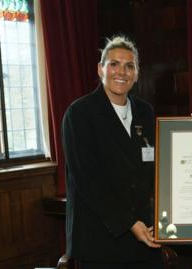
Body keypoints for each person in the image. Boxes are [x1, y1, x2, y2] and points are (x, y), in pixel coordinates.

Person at [61, 35, 162, 269]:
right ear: (100, 69)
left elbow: (161, 162)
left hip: (145, 238)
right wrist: (128, 223)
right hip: (101, 242)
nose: (122, 72)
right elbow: (87, 180)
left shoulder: (145, 112)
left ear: (137, 73)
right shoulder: (79, 114)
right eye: (113, 64)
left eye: (130, 66)